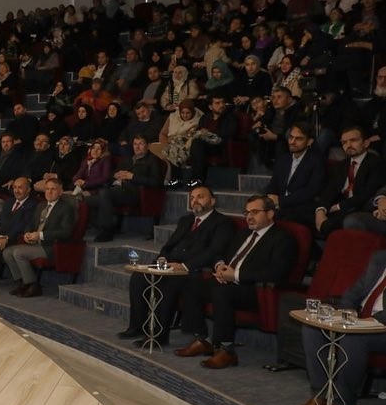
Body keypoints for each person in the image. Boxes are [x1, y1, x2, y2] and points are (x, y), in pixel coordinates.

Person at [174, 195, 297, 369]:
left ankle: (226, 350)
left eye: (255, 212)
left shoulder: (283, 238)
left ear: (270, 213)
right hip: (228, 280)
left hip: (254, 289)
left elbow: (276, 272)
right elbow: (221, 254)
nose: (249, 217)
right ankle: (202, 339)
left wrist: (236, 275)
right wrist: (220, 266)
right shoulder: (244, 233)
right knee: (191, 284)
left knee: (222, 292)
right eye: (247, 212)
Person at [117, 186, 235, 346]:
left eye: (200, 197)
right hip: (169, 264)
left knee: (168, 282)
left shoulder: (223, 222)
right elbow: (168, 246)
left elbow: (214, 251)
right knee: (139, 277)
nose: (195, 201)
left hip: (193, 270)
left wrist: (184, 266)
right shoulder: (185, 220)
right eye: (192, 198)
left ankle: (159, 335)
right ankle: (137, 326)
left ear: (212, 201)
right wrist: (163, 259)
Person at [294, 252, 386, 405]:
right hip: (359, 319)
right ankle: (319, 396)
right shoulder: (380, 258)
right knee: (312, 327)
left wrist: (364, 323)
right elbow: (353, 292)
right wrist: (347, 314)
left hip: (382, 327)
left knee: (354, 338)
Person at [1, 178, 77, 297]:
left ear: (60, 191)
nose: (49, 192)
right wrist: (27, 233)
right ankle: (22, 283)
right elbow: (31, 224)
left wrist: (40, 235)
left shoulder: (66, 208)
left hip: (51, 246)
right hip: (35, 243)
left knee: (18, 252)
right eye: (47, 189)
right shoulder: (41, 205)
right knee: (7, 252)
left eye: (53, 189)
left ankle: (33, 285)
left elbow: (65, 232)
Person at [312, 125, 385, 238]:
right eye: (344, 142)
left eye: (353, 140)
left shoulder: (376, 163)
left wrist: (336, 207)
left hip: (358, 208)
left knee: (326, 226)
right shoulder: (341, 165)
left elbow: (367, 194)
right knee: (303, 216)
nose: (348, 145)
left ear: (366, 143)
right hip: (338, 207)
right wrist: (321, 210)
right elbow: (330, 190)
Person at [89, 135, 163, 242]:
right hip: (115, 188)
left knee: (104, 193)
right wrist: (116, 175)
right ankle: (106, 226)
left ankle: (106, 231)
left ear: (148, 146)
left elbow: (156, 182)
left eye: (141, 144)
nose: (137, 147)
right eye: (135, 144)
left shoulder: (152, 160)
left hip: (132, 192)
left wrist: (132, 177)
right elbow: (112, 174)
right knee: (84, 200)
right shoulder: (128, 158)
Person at [264, 123, 326, 228]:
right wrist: (269, 198)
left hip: (302, 208)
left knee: (275, 216)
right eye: (291, 137)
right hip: (281, 206)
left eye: (298, 139)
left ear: (309, 142)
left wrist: (281, 201)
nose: (292, 142)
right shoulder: (283, 159)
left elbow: (311, 192)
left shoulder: (317, 161)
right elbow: (273, 184)